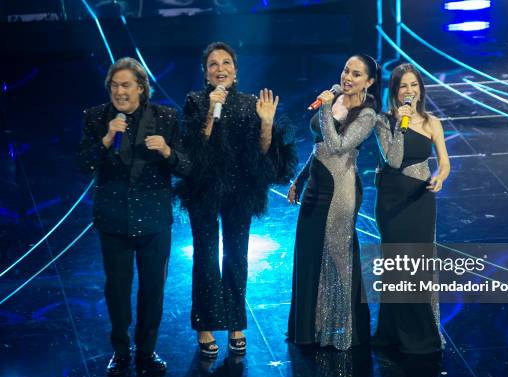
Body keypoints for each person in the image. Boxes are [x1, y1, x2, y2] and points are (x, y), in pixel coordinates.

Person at [176, 42, 296, 357]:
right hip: (203, 187)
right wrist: (211, 112)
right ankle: (204, 325)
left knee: (236, 256)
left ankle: (235, 323)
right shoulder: (195, 101)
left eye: (226, 63)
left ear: (236, 71)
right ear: (205, 72)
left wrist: (267, 122)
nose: (220, 69)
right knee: (204, 255)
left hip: (239, 190)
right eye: (213, 64)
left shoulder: (249, 102)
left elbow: (263, 151)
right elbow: (191, 147)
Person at [77, 57, 192, 376]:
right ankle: (120, 351)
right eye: (114, 86)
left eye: (126, 85)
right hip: (113, 221)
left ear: (141, 87)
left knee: (153, 290)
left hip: (154, 220)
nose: (119, 91)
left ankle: (146, 351)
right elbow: (83, 164)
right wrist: (105, 138)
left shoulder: (166, 117)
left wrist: (167, 151)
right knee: (116, 289)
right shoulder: (96, 117)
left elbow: (186, 166)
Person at [287, 54, 381, 351]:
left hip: (340, 190)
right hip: (316, 183)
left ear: (369, 81)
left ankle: (351, 328)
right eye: (345, 70)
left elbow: (337, 145)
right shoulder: (335, 95)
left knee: (340, 259)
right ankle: (308, 329)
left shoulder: (368, 114)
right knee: (308, 255)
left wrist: (326, 107)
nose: (347, 77)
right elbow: (319, 148)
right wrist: (300, 180)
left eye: (356, 74)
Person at [372, 63, 450, 353]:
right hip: (393, 198)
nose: (409, 91)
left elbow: (444, 162)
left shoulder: (432, 123)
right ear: (394, 91)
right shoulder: (383, 121)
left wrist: (440, 177)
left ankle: (418, 332)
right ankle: (394, 331)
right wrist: (400, 125)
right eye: (403, 86)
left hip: (421, 199)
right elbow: (393, 159)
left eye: (413, 85)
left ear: (420, 89)